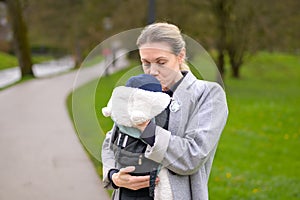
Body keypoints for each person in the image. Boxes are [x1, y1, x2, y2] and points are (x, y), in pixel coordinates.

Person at [101, 22, 228, 200]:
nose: (153, 71)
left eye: (161, 62)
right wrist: (114, 176)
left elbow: (193, 156)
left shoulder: (207, 94)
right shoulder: (137, 91)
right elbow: (111, 141)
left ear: (180, 55)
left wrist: (146, 129)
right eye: (146, 63)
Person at [102, 74, 171, 199]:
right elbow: (109, 144)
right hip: (125, 193)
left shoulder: (172, 110)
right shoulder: (123, 120)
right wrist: (114, 176)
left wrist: (144, 127)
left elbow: (186, 156)